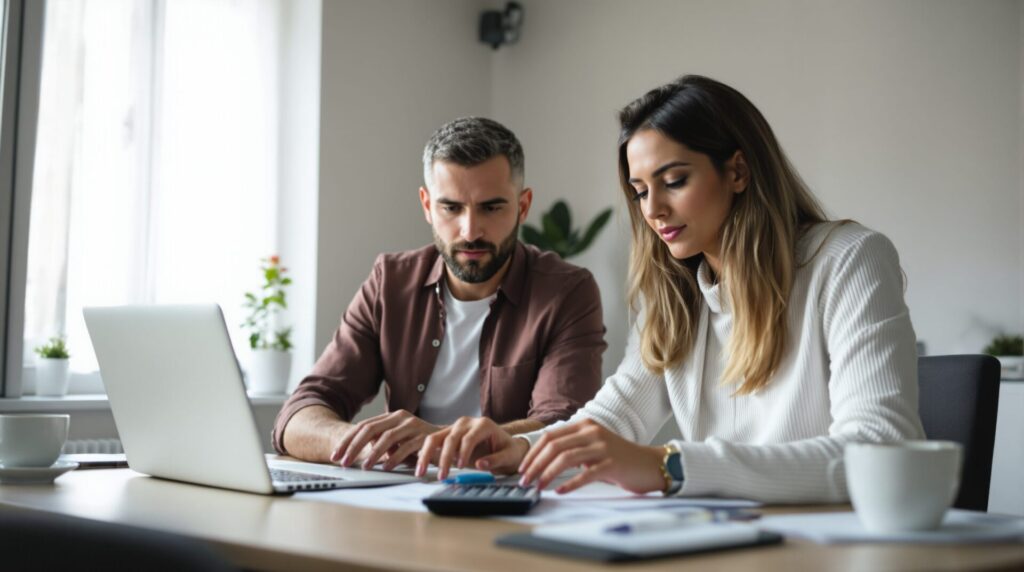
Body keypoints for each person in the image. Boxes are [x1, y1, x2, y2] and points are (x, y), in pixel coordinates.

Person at [416, 76, 925, 503]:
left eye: (674, 181)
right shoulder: (676, 293)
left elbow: (879, 451)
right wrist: (521, 449)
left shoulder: (849, 260)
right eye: (640, 191)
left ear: (738, 171)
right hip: (724, 540)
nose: (653, 209)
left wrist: (670, 466)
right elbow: (614, 418)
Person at [272, 117, 606, 472]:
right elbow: (299, 414)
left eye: (491, 207)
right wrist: (359, 443)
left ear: (522, 206)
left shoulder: (566, 292)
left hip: (505, 495)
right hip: (398, 493)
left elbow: (563, 425)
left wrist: (432, 442)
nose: (470, 231)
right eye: (451, 208)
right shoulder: (390, 283)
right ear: (427, 205)